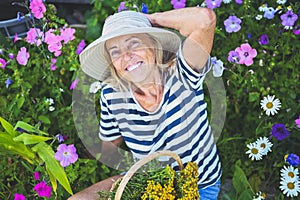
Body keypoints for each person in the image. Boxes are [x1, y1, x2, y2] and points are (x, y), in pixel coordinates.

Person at [79, 6, 221, 199]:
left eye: (134, 43)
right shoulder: (112, 95)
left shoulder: (182, 74)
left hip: (198, 186)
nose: (126, 56)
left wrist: (150, 19)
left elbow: (204, 19)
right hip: (149, 185)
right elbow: (109, 147)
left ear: (154, 46)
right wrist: (130, 178)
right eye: (115, 52)